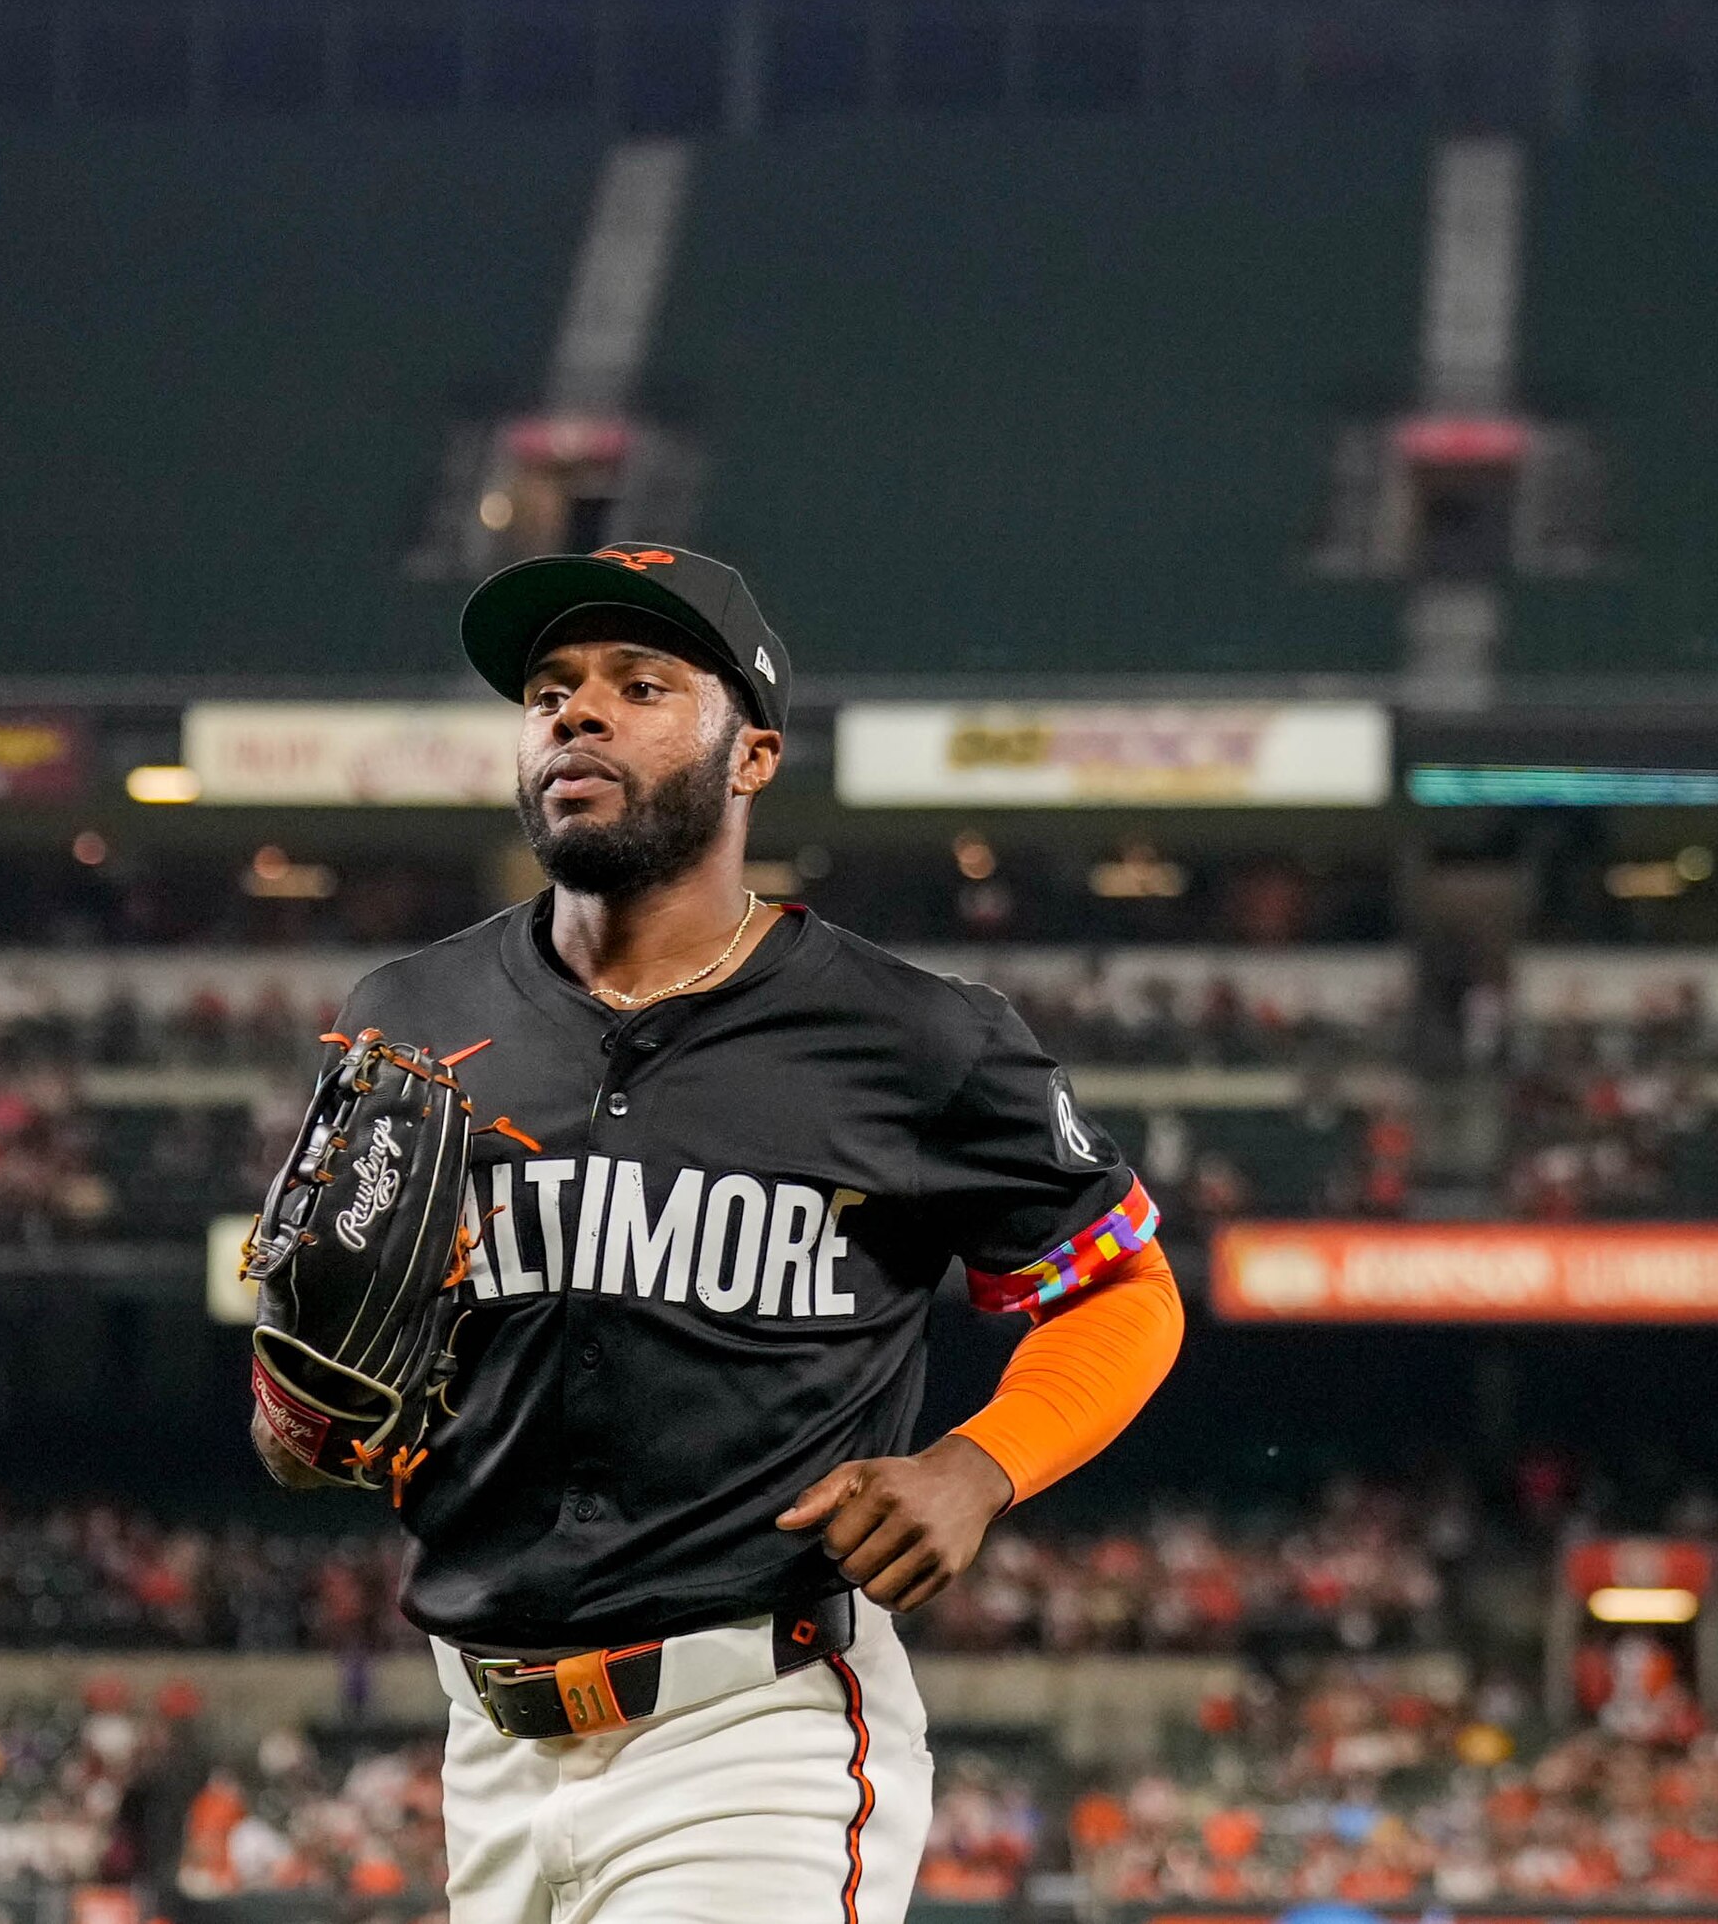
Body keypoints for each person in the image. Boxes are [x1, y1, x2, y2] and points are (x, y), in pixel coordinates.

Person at [261, 542, 1188, 1924]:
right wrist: (295, 1407)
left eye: (640, 683)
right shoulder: (408, 1005)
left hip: (759, 1726)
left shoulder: (911, 1035)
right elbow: (319, 1339)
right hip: (487, 1739)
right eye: (550, 688)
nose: (577, 711)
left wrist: (979, 1465)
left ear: (751, 757)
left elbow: (1126, 1288)